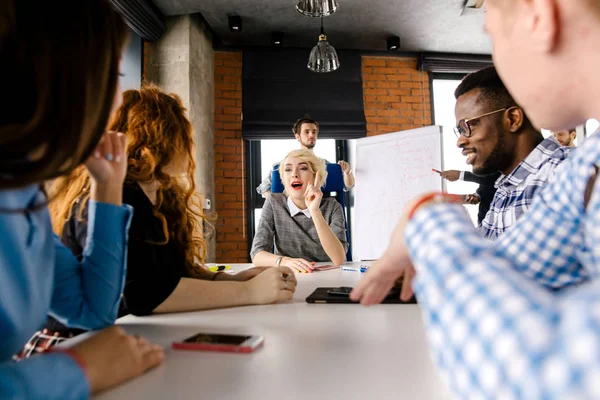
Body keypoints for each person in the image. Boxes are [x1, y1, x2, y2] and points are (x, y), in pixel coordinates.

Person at [352, 0, 600, 398]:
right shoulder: (585, 166)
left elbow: (537, 376)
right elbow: (509, 268)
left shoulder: (573, 173)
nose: (461, 138)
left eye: (493, 31)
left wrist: (428, 219)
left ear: (539, 16)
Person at [17, 85, 297, 356]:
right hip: (74, 345)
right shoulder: (118, 195)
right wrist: (248, 292)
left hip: (118, 336)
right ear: (166, 137)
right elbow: (147, 294)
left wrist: (226, 279)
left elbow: (167, 274)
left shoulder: (160, 195)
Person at [0, 1, 164, 399]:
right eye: (113, 77)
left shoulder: (26, 198)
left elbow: (92, 310)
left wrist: (107, 187)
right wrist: (77, 369)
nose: (118, 100)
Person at [452, 66, 569, 240]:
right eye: (459, 130)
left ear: (513, 119)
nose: (460, 141)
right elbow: (487, 255)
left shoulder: (564, 174)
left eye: (468, 126)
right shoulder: (505, 189)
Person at [251, 149, 348, 272]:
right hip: (288, 276)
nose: (294, 174)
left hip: (326, 276)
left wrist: (315, 212)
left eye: (303, 168)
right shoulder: (273, 203)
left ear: (316, 176)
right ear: (283, 179)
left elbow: (338, 259)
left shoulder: (333, 207)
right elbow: (257, 254)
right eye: (288, 169)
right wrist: (285, 261)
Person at [256, 115, 355, 198]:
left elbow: (347, 186)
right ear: (297, 136)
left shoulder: (324, 164)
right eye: (306, 132)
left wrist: (347, 173)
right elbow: (263, 187)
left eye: (314, 131)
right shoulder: (284, 165)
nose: (311, 135)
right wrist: (278, 205)